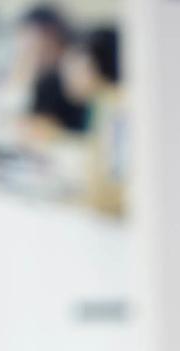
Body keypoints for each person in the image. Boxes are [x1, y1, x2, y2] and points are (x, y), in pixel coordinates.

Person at [61, 26, 125, 214]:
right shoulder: (102, 103)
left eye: (73, 65)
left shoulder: (118, 110)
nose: (66, 74)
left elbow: (110, 191)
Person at [18, 5, 88, 134]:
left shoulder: (80, 64)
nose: (26, 46)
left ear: (50, 33)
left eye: (30, 37)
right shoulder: (46, 78)